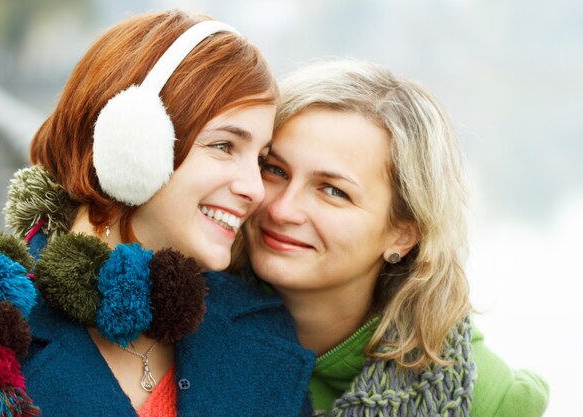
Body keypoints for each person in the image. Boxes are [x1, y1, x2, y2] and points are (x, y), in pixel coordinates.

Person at [0, 10, 314, 417]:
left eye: (262, 159)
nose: (253, 189)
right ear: (129, 143)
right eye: (224, 146)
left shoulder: (263, 330)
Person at [232, 59, 550, 416]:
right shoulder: (181, 323)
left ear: (403, 235)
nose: (282, 210)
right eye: (275, 170)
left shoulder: (488, 400)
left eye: (333, 191)